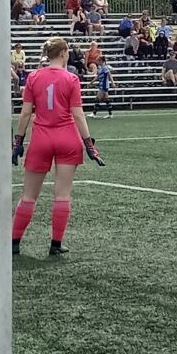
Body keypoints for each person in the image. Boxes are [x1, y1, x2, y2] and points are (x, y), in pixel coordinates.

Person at [11, 37, 104, 257]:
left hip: (41, 138)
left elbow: (25, 113)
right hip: (67, 138)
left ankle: (14, 243)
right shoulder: (71, 78)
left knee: (28, 196)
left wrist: (18, 141)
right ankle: (55, 244)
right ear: (63, 53)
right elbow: (78, 114)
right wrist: (89, 144)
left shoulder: (34, 77)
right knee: (62, 195)